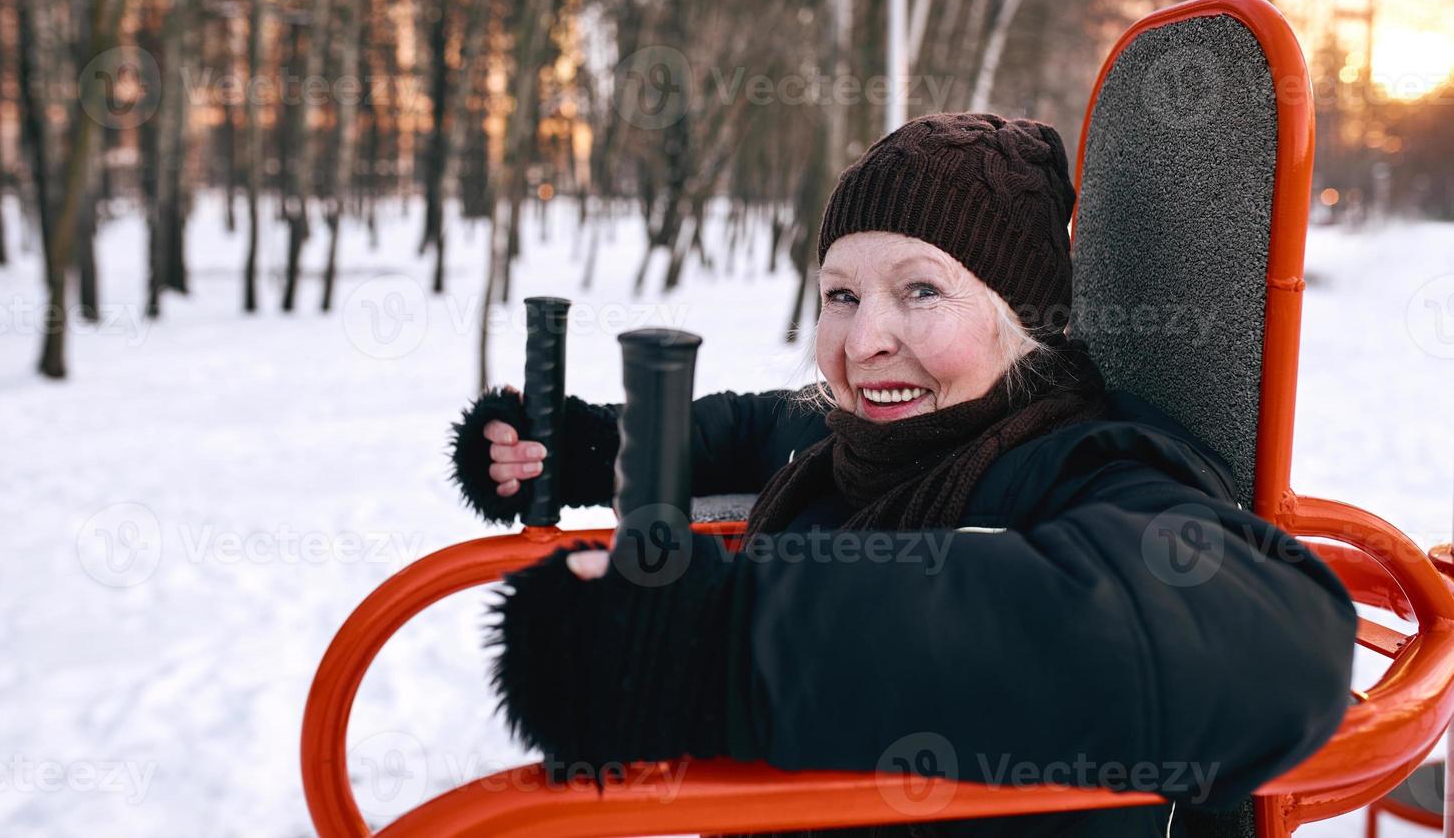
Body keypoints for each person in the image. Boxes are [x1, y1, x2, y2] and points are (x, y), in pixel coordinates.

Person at [448, 112, 1358, 838]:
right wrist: (580, 445)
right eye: (840, 294)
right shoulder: (851, 439)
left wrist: (719, 648)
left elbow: (1264, 650)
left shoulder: (1088, 464)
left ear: (1020, 320)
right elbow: (750, 423)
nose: (862, 339)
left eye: (920, 290)